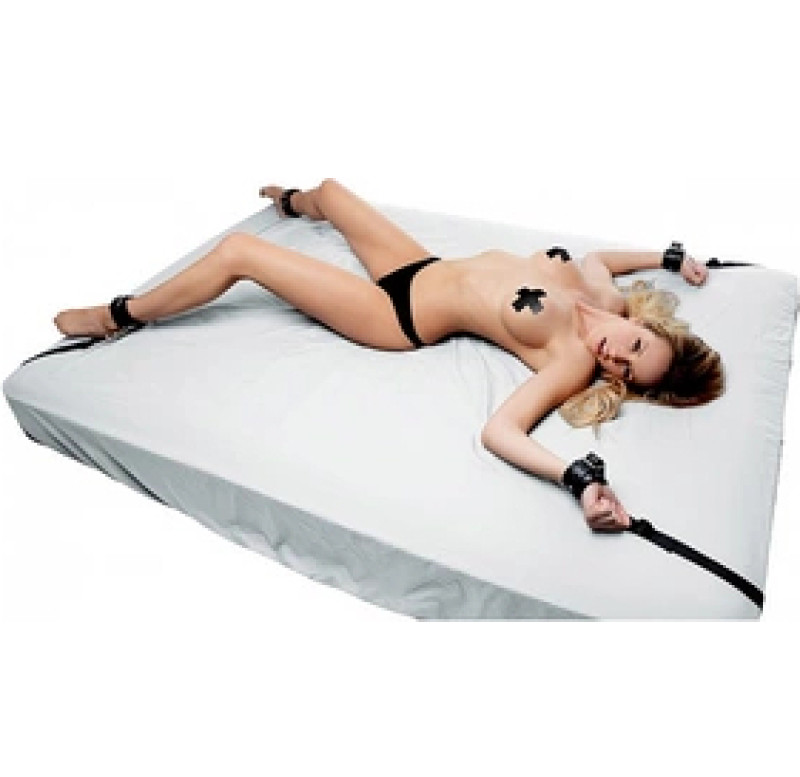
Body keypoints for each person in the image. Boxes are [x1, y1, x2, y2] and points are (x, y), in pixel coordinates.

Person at [53, 179, 724, 532]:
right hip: (421, 267)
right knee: (329, 190)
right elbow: (602, 257)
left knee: (240, 254)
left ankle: (118, 316)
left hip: (396, 315)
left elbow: (501, 431)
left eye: (624, 372)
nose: (613, 357)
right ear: (643, 323)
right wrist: (671, 256)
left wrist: (575, 480)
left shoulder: (571, 361)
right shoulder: (603, 292)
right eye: (634, 346)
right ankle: (290, 202)